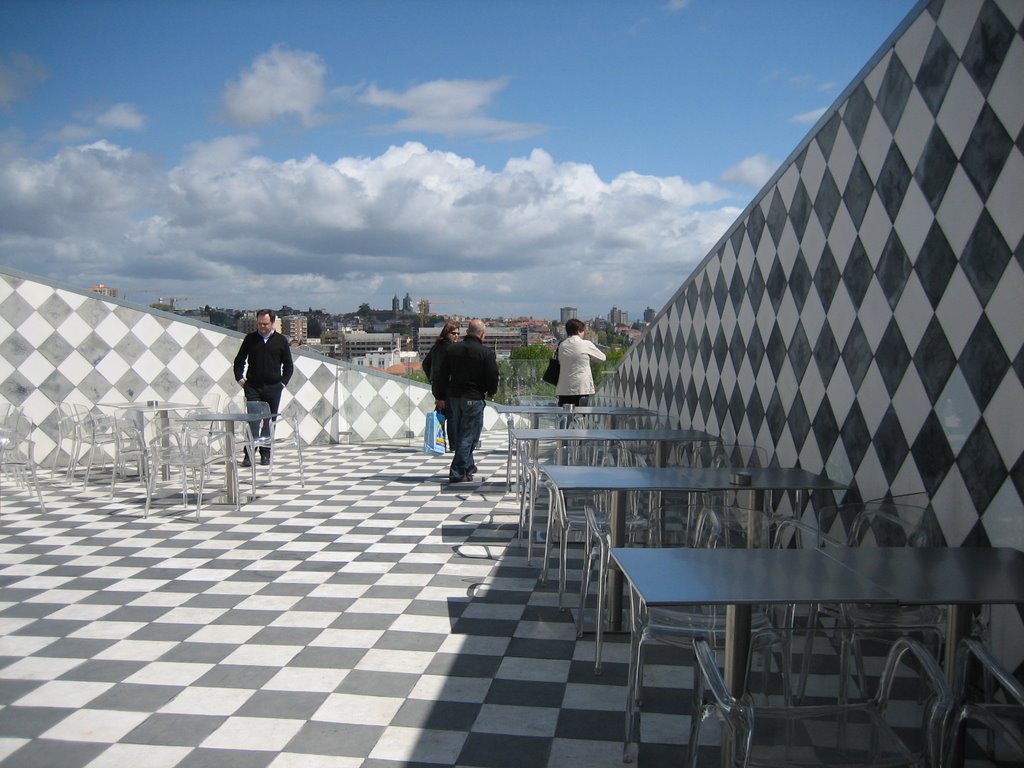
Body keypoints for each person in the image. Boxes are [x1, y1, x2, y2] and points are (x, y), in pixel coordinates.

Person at [432, 319, 499, 484]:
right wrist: (491, 392)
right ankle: (457, 471)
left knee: (463, 434)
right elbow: (492, 376)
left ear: (468, 332)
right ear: (482, 334)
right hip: (473, 397)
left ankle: (468, 468)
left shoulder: (453, 349)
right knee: (469, 436)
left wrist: (440, 395)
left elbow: (441, 373)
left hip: (453, 397)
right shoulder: (486, 353)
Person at [233, 309, 294, 467]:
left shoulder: (281, 341)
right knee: (252, 421)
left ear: (272, 323)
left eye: (265, 324)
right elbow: (239, 361)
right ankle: (249, 454)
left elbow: (288, 365)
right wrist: (240, 379)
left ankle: (265, 453)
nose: (262, 327)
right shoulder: (250, 339)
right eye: (259, 323)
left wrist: (282, 384)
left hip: (273, 387)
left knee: (269, 421)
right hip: (253, 386)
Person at [555, 318, 606, 407]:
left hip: (563, 388)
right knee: (580, 416)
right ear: (579, 331)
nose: (584, 333)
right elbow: (602, 358)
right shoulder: (585, 344)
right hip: (581, 387)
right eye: (583, 331)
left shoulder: (562, 345)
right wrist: (588, 357)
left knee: (564, 417)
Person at [421, 321, 459, 385]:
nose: (456, 336)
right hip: (448, 386)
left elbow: (425, 364)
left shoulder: (436, 347)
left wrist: (432, 379)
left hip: (436, 385)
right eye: (453, 333)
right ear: (446, 333)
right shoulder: (452, 348)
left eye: (458, 333)